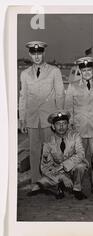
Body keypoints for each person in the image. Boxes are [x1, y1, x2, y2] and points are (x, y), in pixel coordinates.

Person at [19, 41, 65, 189]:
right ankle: (35, 182)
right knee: (34, 150)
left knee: (52, 150)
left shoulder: (54, 71)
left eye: (39, 53)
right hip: (32, 118)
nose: (37, 56)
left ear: (43, 53)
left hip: (49, 118)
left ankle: (52, 180)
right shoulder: (25, 74)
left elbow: (60, 95)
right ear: (30, 54)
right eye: (34, 53)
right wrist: (22, 119)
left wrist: (59, 118)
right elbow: (23, 97)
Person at [64, 56, 93, 185]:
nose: (87, 73)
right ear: (80, 71)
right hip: (79, 129)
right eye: (84, 70)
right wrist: (70, 127)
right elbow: (68, 109)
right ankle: (77, 186)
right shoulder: (73, 87)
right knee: (78, 158)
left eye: (89, 70)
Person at [28, 111, 88, 200]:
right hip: (57, 172)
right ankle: (59, 187)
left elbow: (81, 154)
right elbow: (45, 167)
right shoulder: (48, 143)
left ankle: (77, 189)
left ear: (68, 125)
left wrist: (64, 165)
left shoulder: (75, 136)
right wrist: (62, 176)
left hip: (72, 170)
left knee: (81, 166)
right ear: (53, 126)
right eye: (58, 124)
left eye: (64, 123)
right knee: (42, 183)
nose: (61, 126)